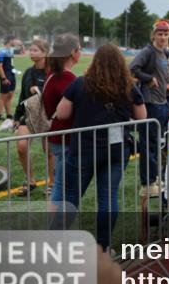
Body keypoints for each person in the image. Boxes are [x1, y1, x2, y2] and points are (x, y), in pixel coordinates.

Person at [54, 44, 146, 250]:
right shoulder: (129, 86)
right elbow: (142, 117)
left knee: (71, 197)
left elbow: (62, 113)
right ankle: (103, 247)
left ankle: (57, 243)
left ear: (95, 62)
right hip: (116, 149)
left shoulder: (80, 83)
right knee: (108, 197)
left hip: (83, 149)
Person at [129, 20, 169, 198]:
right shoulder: (148, 51)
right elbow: (132, 69)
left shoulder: (166, 52)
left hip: (163, 103)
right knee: (149, 144)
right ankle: (148, 182)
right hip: (150, 103)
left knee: (159, 143)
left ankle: (156, 177)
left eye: (166, 34)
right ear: (153, 35)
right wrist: (148, 78)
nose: (163, 37)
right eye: (159, 34)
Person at [44, 34, 81, 203]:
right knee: (64, 184)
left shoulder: (54, 74)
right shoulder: (67, 78)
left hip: (57, 135)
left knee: (61, 181)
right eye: (79, 49)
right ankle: (58, 216)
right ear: (73, 52)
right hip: (64, 137)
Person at [12, 39, 49, 196]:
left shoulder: (52, 72)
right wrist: (16, 116)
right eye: (30, 50)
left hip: (47, 115)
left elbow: (56, 92)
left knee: (49, 151)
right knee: (22, 147)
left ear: (45, 53)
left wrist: (39, 88)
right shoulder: (28, 72)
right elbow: (23, 95)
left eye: (35, 50)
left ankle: (52, 184)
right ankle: (30, 181)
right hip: (28, 114)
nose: (31, 53)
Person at [0, 35, 19, 130]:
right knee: (3, 96)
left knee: (10, 95)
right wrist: (4, 78)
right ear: (10, 40)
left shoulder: (11, 50)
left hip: (12, 74)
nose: (16, 42)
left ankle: (9, 115)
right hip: (5, 75)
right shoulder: (1, 51)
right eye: (15, 40)